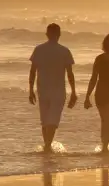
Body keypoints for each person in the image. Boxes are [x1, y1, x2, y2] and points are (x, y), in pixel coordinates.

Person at [29, 23, 77, 152]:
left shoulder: (39, 49)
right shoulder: (64, 51)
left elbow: (32, 71)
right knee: (53, 120)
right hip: (58, 90)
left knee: (45, 120)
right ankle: (48, 145)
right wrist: (73, 91)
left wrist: (31, 90)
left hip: (42, 89)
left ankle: (47, 145)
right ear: (59, 35)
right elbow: (70, 73)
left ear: (47, 34)